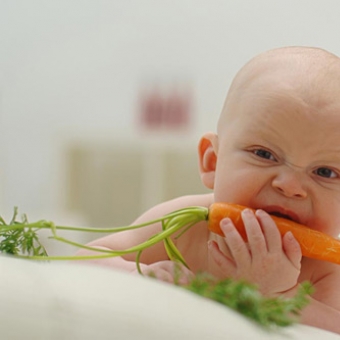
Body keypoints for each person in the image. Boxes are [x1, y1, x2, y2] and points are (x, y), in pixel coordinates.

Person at [77, 46, 340, 334]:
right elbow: (88, 256)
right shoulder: (182, 226)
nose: (289, 186)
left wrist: (281, 296)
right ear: (212, 161)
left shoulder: (324, 269)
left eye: (326, 172)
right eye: (264, 154)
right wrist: (139, 272)